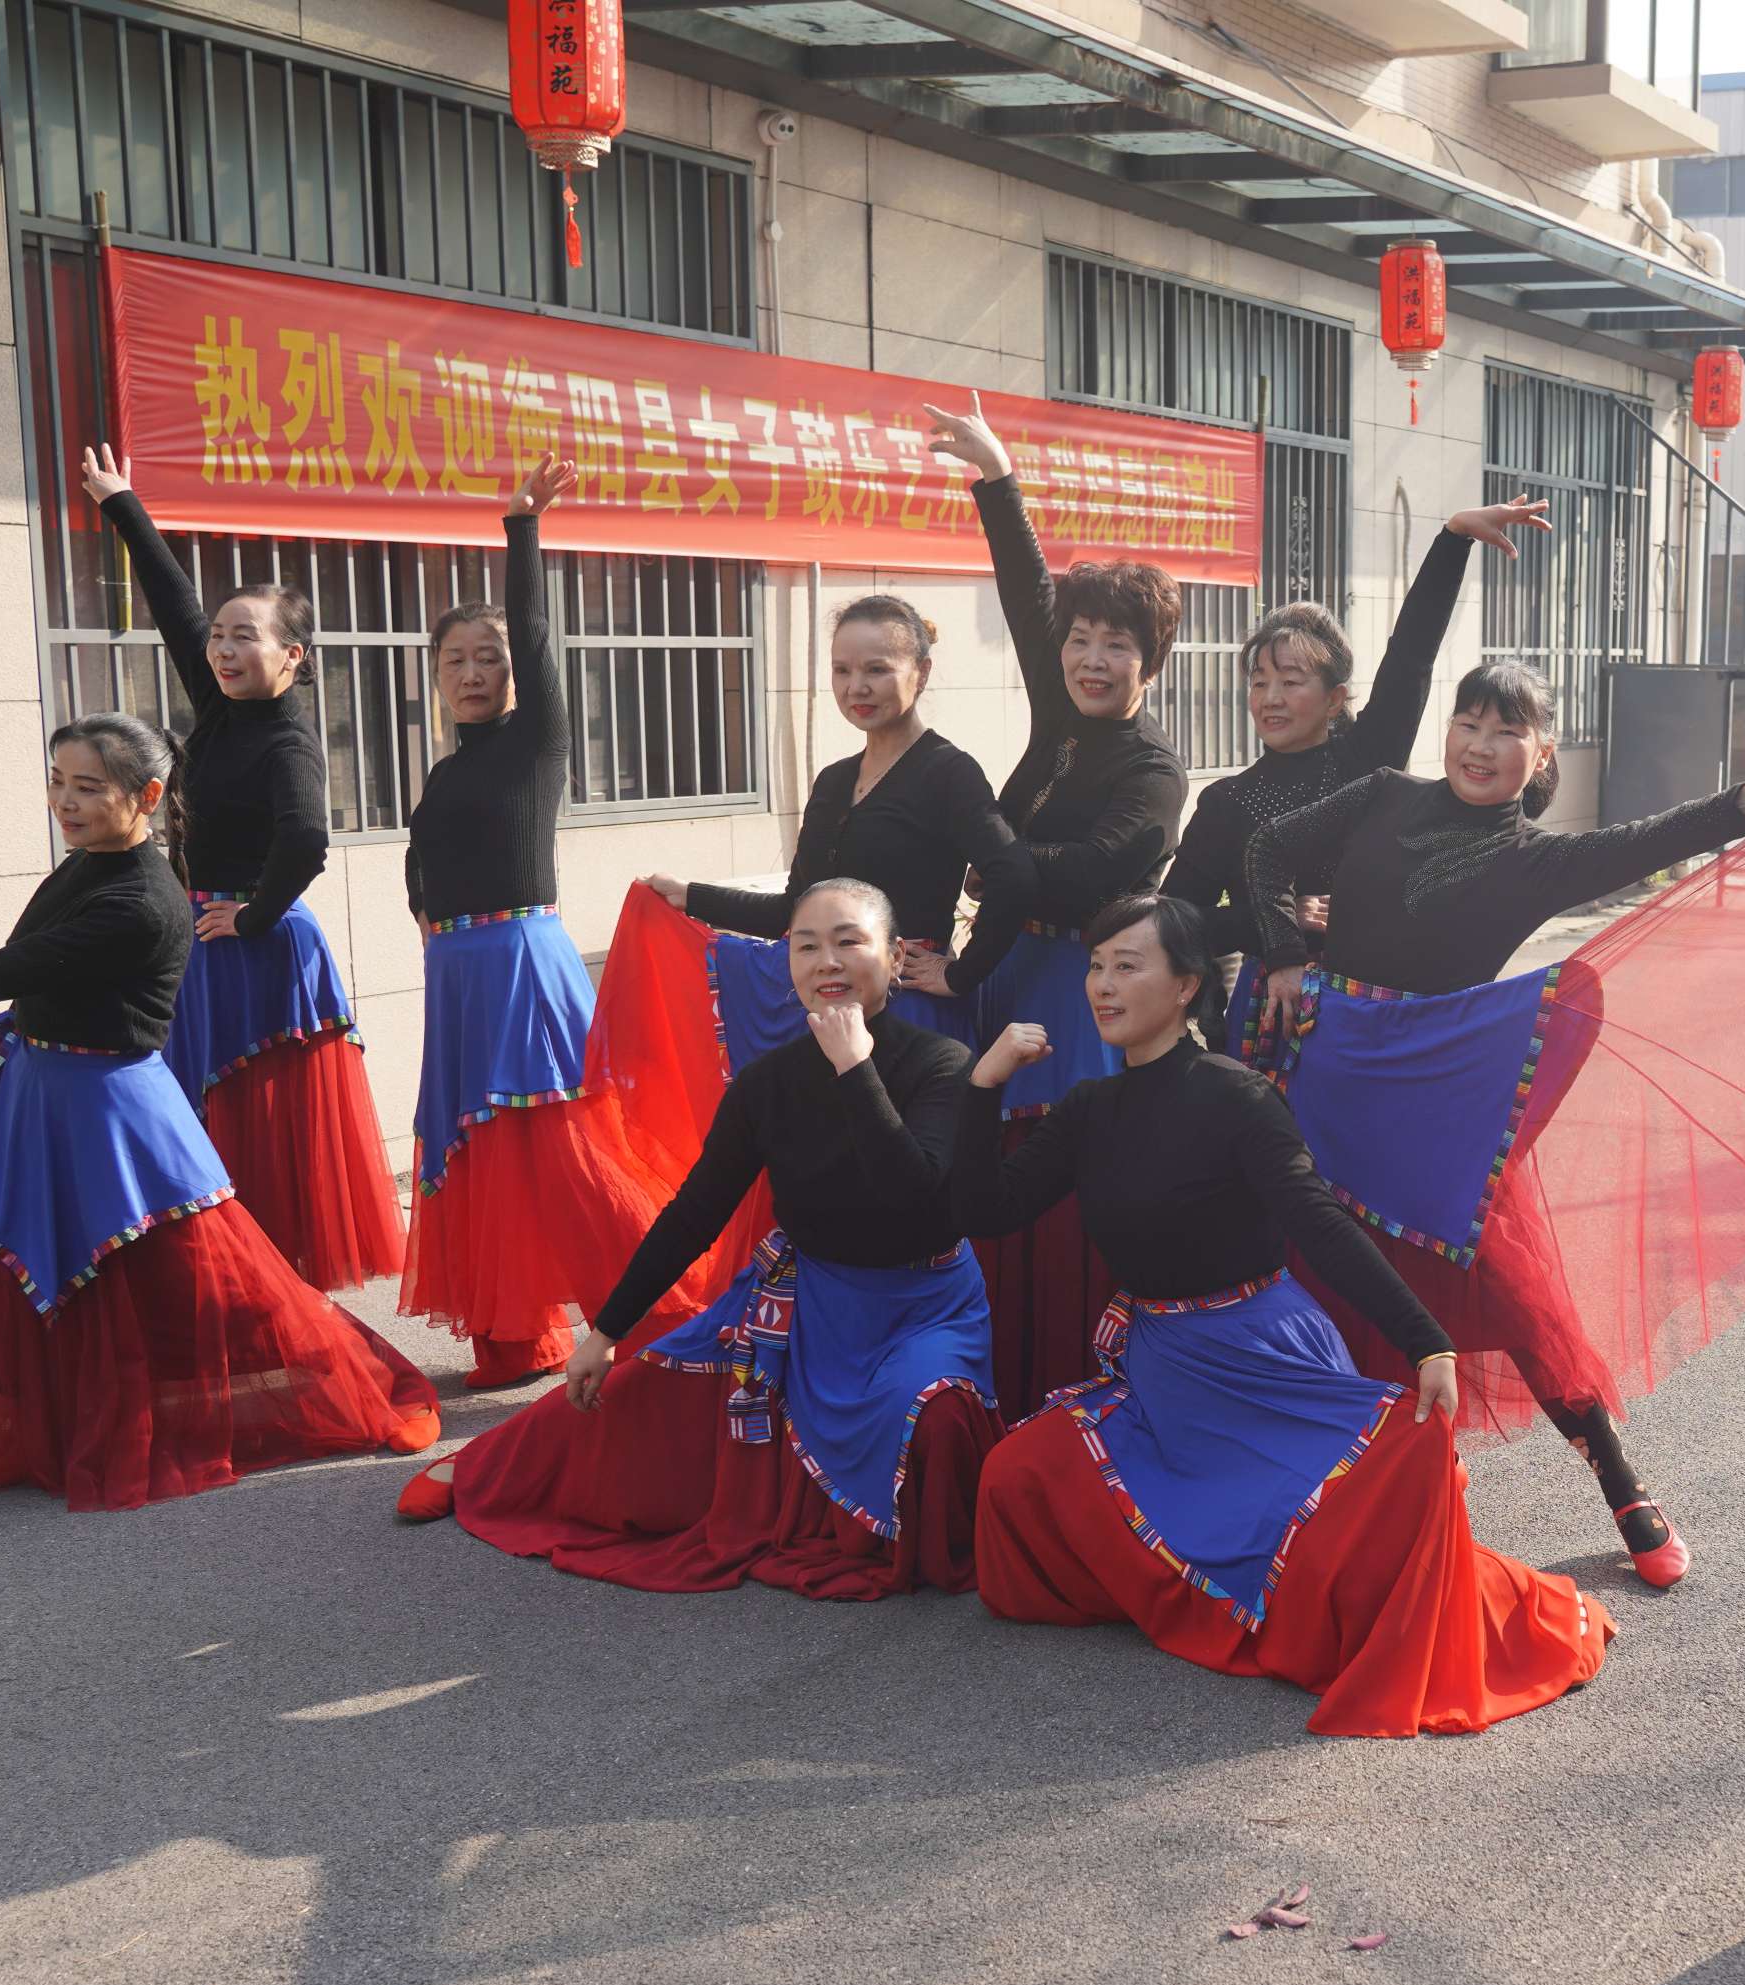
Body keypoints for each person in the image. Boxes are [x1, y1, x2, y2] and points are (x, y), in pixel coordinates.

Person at [1235, 663, 1745, 1588]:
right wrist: (1286, 953)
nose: (1480, 747)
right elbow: (1265, 850)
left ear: (1541, 755)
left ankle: (1622, 1486)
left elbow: (1649, 838)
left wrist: (1744, 800)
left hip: (1443, 1107)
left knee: (1520, 1300)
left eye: (1505, 732)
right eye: (1468, 723)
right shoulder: (1382, 794)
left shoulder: (1537, 861)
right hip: (1329, 1083)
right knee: (1320, 1279)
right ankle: (1339, 1494)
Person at [950, 896, 1611, 1736]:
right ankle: (1190, 1583)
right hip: (1162, 1373)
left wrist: (1426, 1343)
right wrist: (982, 1086)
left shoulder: (1237, 1097)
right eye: (1096, 966)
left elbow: (1317, 1223)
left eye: (1128, 966)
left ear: (1186, 985)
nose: (1103, 986)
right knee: (1015, 1480)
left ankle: (1235, 1581)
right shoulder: (1088, 1111)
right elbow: (988, 1209)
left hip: (1265, 1363)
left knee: (1333, 1569)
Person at [0, 715, 439, 1509]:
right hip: (40, 1098)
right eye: (57, 782)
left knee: (207, 1290)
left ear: (147, 795)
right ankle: (50, 1426)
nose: (65, 802)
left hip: (113, 1117)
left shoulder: (140, 900)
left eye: (87, 787)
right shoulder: (84, 869)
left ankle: (337, 1392)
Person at [395, 881, 998, 1600]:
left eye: (849, 942)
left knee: (933, 1423)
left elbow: (912, 1193)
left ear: (894, 958)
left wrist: (854, 1068)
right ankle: (486, 1465)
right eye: (806, 946)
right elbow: (694, 1214)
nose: (827, 962)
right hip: (810, 1302)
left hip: (923, 1307)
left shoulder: (942, 1064)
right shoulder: (766, 1084)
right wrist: (606, 1332)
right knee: (638, 1384)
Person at [896, 395, 1190, 1407]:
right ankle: (989, 1381)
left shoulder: (1155, 771)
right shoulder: (1059, 717)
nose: (1091, 659)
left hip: (1082, 993)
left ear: (1151, 662)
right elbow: (1029, 596)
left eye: (1118, 645)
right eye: (1082, 640)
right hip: (1003, 969)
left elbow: (1087, 873)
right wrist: (996, 474)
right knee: (981, 1176)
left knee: (1057, 1197)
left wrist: (995, 855)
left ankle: (1077, 1396)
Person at [76, 443, 403, 1292]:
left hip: (254, 947)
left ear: (293, 655)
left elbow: (307, 839)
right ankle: (224, 1278)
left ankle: (266, 1283)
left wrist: (254, 915)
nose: (221, 649)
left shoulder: (289, 739)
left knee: (250, 1122)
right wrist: (123, 506)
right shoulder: (222, 706)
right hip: (209, 933)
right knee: (203, 1109)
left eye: (243, 637)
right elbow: (175, 605)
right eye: (220, 637)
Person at [394, 454, 673, 1389]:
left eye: (490, 658)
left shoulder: (536, 743)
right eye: (455, 660)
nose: (472, 673)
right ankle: (514, 1337)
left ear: (517, 672)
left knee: (565, 1152)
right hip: (458, 977)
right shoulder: (444, 771)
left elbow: (536, 630)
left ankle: (657, 1310)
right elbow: (422, 860)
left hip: (520, 962)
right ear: (437, 675)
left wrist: (521, 529)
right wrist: (427, 920)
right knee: (484, 1154)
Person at [1160, 499, 1538, 1048]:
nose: (1270, 698)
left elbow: (1411, 657)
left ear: (1335, 699)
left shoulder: (1368, 762)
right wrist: (1270, 920)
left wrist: (1454, 538)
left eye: (1290, 682)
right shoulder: (1226, 802)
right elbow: (1175, 921)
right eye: (1259, 682)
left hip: (1383, 1002)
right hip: (1273, 1012)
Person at [642, 592, 1013, 1049]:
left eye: (876, 670)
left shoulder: (949, 772)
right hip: (828, 1013)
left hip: (909, 1015)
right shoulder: (834, 781)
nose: (856, 687)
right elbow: (793, 909)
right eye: (842, 670)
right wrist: (690, 896)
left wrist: (961, 974)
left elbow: (1013, 875)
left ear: (922, 673)